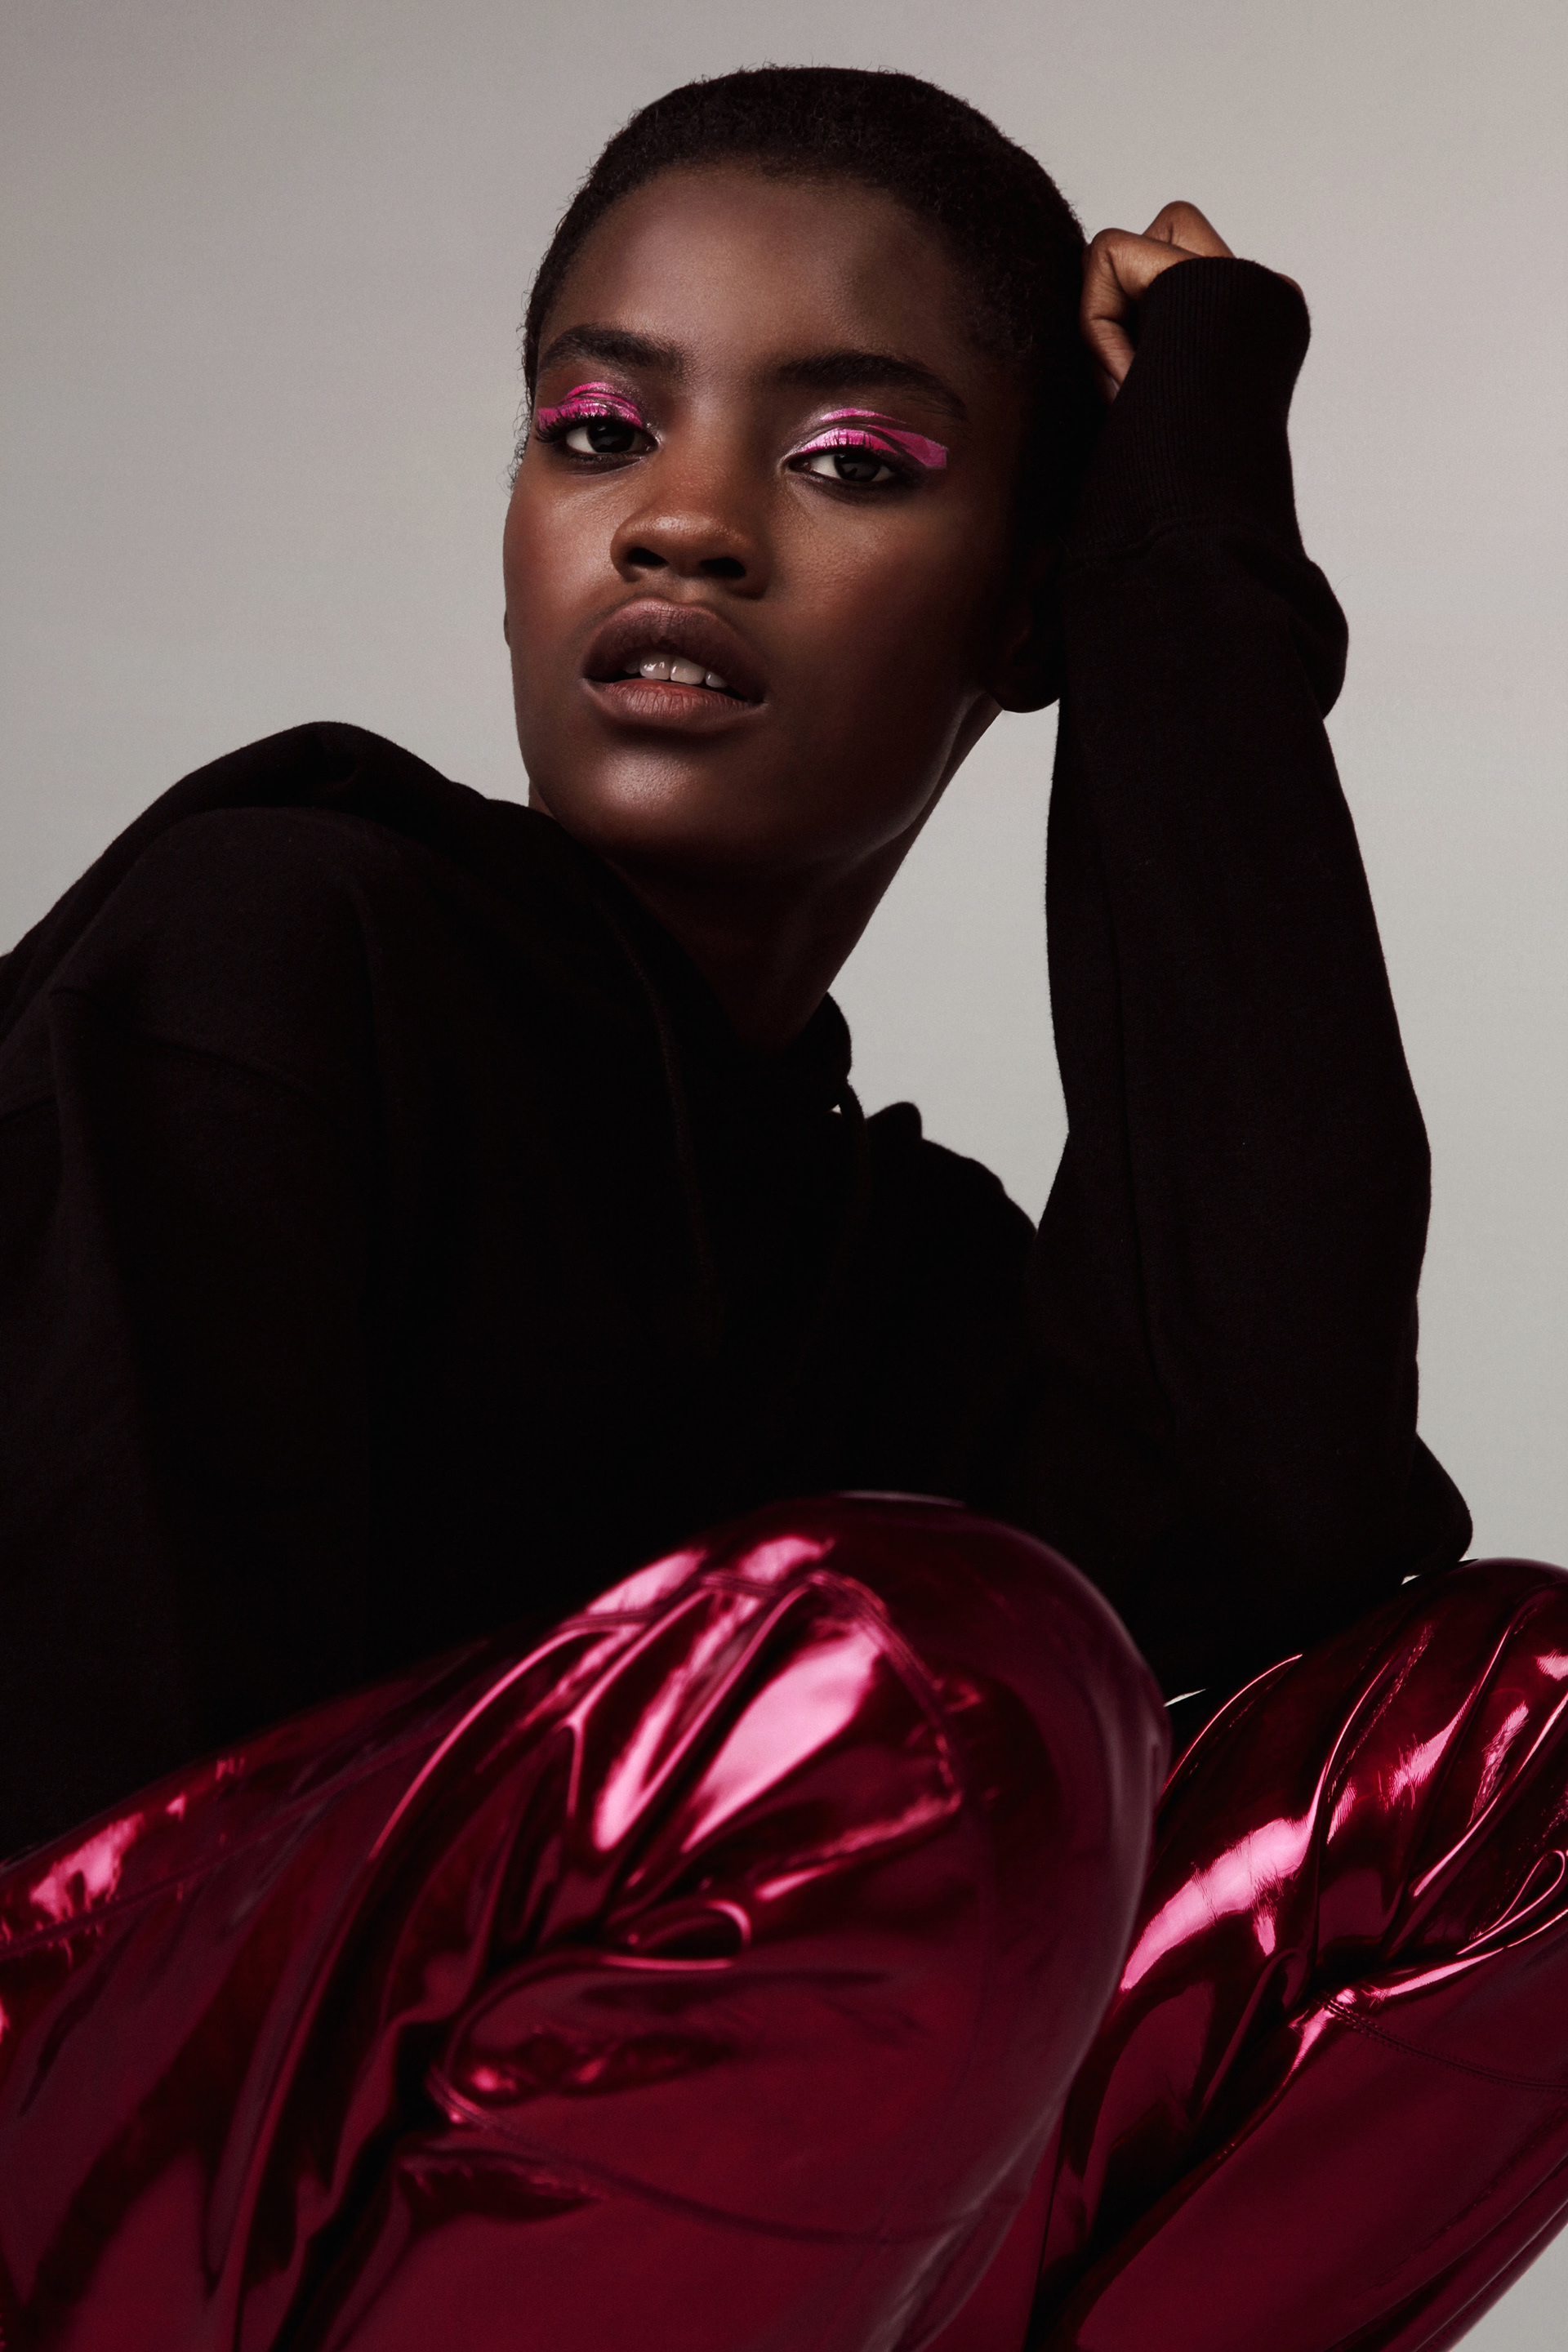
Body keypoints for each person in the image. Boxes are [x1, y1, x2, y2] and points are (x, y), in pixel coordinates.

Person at [0, 65, 1564, 2352]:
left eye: (850, 461)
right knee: (917, 1687)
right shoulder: (277, 947)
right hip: (80, 2147)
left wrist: (1181, 576)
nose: (683, 527)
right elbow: (92, 1835)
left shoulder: (883, 1273)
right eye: (597, 431)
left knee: (1516, 1753)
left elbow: (1291, 1490)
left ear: (1025, 597)